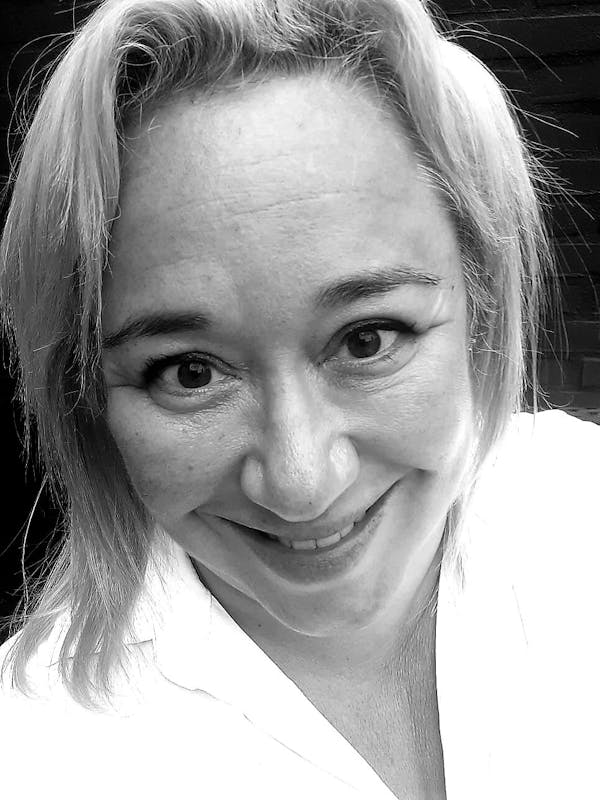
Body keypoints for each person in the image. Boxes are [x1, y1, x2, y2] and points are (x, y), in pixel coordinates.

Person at [0, 0, 597, 798]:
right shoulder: (35, 752)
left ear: (480, 302)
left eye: (367, 339)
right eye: (189, 372)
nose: (301, 482)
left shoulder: (579, 510)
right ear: (87, 396)